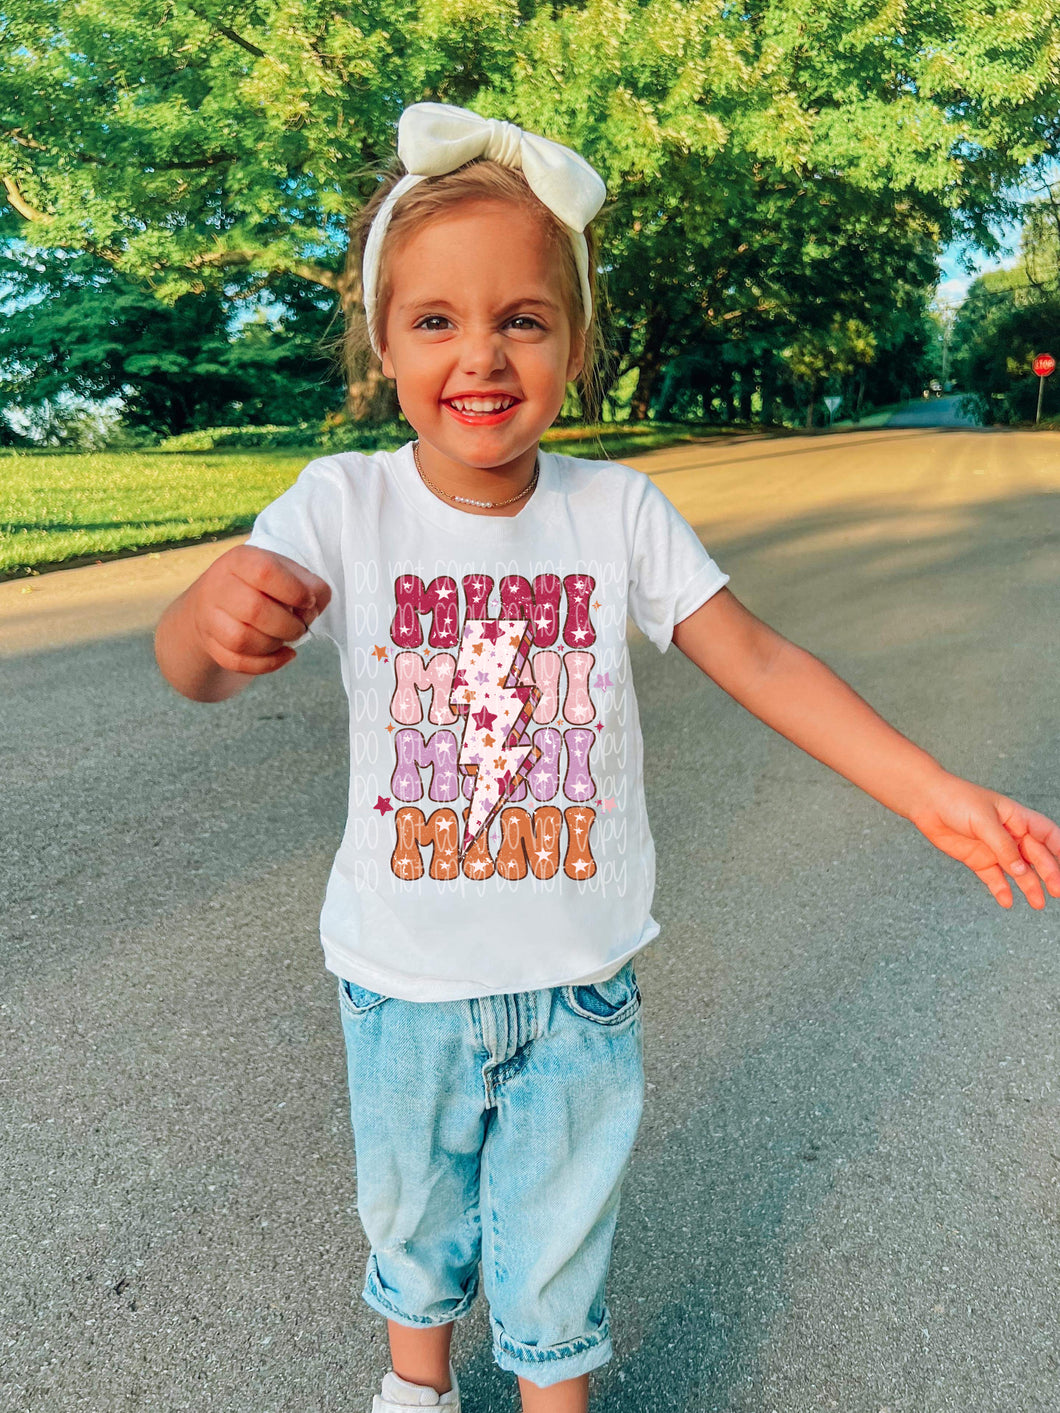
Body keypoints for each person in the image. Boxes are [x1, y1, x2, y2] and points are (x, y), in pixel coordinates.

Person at [153, 101, 1060, 1413]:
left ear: (576, 345)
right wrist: (209, 615)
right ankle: (415, 1387)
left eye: (523, 318)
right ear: (384, 342)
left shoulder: (617, 510)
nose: (481, 353)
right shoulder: (340, 504)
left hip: (578, 983)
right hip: (402, 981)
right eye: (436, 320)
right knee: (410, 1218)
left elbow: (760, 660)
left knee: (559, 1239)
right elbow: (191, 669)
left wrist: (930, 793)